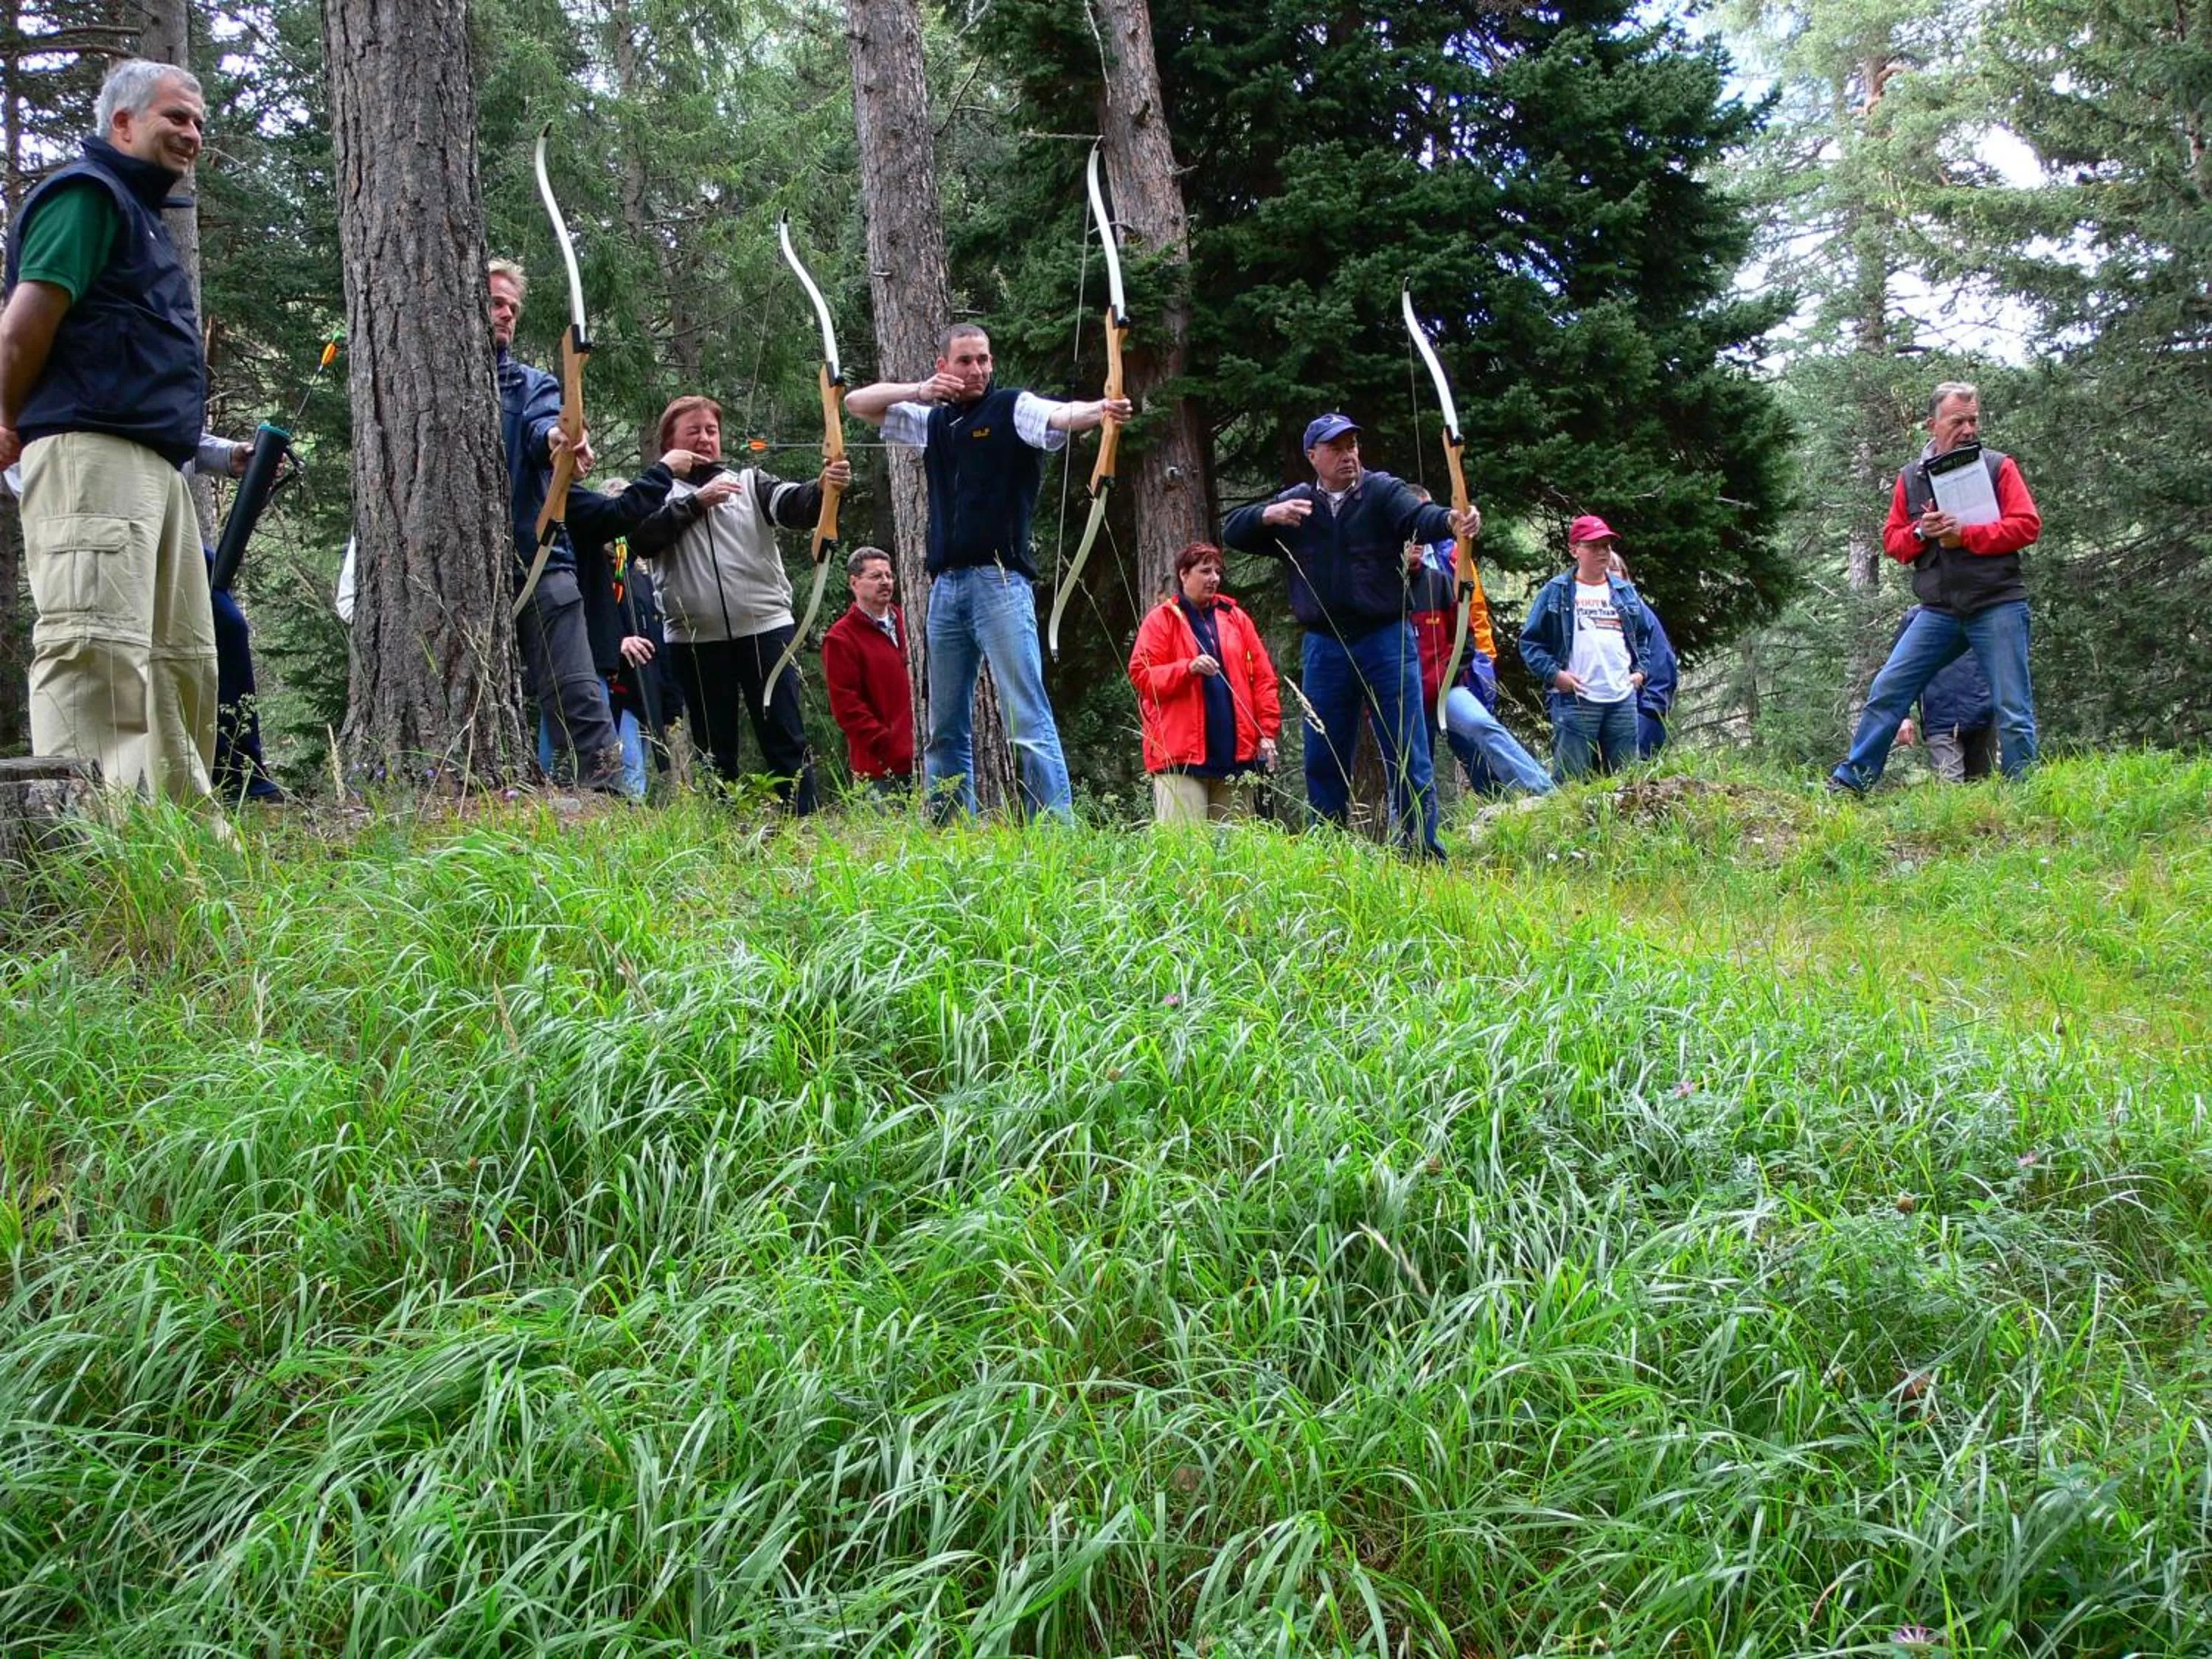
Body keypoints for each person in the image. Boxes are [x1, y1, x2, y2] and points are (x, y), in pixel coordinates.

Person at [0, 60, 215, 803]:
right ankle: (95, 860)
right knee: (96, 653)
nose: (191, 134)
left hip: (155, 468)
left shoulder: (139, 218)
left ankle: (176, 851)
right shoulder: (87, 199)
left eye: (197, 123)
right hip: (90, 456)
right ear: (122, 124)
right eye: (174, 118)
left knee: (177, 661)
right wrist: (2, 416)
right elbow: (23, 330)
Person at [844, 323, 1128, 821]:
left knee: (1027, 717)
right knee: (944, 726)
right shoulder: (932, 420)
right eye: (965, 361)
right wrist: (919, 391)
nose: (977, 369)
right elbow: (857, 404)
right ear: (944, 367)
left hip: (1000, 581)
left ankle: (1054, 836)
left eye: (984, 360)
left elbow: (1060, 415)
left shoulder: (1012, 408)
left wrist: (1101, 411)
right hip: (945, 589)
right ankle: (952, 834)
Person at [1220, 414, 1480, 858]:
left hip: (1386, 638)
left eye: (1352, 445)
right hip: (1325, 644)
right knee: (1323, 757)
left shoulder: (1380, 491)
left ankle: (1421, 853)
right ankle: (1329, 856)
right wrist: (1268, 513)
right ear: (1313, 456)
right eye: (1336, 447)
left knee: (1408, 751)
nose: (1348, 455)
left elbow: (1420, 517)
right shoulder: (1298, 505)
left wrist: (1454, 520)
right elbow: (1233, 531)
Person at [615, 394, 847, 814]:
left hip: (765, 630)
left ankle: (805, 828)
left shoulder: (750, 482)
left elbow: (797, 506)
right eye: (694, 432)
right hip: (694, 638)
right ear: (671, 443)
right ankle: (723, 834)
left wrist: (825, 487)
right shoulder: (655, 492)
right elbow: (640, 538)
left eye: (711, 431)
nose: (705, 439)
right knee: (713, 747)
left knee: (785, 736)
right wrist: (696, 503)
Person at [1829, 381, 2041, 793]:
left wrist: (1968, 536)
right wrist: (1920, 531)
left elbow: (2027, 525)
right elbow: (1893, 541)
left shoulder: (1999, 467)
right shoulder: (1910, 478)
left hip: (1997, 602)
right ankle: (1850, 784)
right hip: (1939, 610)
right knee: (1888, 691)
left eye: (1973, 420)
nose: (1968, 429)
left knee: (2013, 708)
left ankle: (2023, 797)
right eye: (1958, 421)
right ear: (1932, 424)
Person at [488, 257, 624, 792]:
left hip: (539, 553)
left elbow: (545, 425)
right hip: (461, 565)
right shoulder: (434, 382)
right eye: (495, 302)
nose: (505, 315)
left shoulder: (531, 384)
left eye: (512, 308)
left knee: (575, 686)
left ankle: (607, 791)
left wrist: (559, 440)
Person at [1127, 541, 1281, 822]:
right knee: (1183, 852)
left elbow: (1263, 679)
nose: (1214, 579)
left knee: (1234, 855)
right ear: (1184, 575)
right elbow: (1142, 675)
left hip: (1237, 758)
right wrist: (1187, 668)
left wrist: (1267, 733)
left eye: (1217, 572)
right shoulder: (1161, 620)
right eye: (1205, 571)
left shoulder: (1236, 618)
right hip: (1181, 758)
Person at [1517, 514, 1658, 781]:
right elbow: (1530, 643)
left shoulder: (1625, 592)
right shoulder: (1556, 591)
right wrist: (1555, 675)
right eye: (1593, 546)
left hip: (1622, 700)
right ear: (1575, 550)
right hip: (1575, 701)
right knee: (1571, 785)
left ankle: (1622, 825)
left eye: (1606, 545)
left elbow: (1643, 636)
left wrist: (1640, 672)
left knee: (1627, 784)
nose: (1602, 552)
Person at [821, 546, 917, 798]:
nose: (885, 582)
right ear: (854, 583)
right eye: (876, 577)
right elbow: (846, 707)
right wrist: (887, 744)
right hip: (877, 771)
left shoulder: (912, 621)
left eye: (889, 575)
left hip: (924, 761)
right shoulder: (841, 638)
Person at [1891, 605, 1995, 782]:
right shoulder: (1916, 618)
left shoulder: (1982, 610)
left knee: (1982, 789)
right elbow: (1899, 674)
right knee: (1950, 789)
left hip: (1983, 715)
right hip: (1941, 719)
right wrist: (1903, 716)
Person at [1608, 549, 1678, 759]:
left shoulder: (1637, 612)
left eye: (1613, 569)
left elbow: (1661, 665)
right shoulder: (1603, 616)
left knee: (1635, 775)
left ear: (1626, 577)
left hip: (1645, 709)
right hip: (1618, 713)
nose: (1607, 576)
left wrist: (1650, 710)